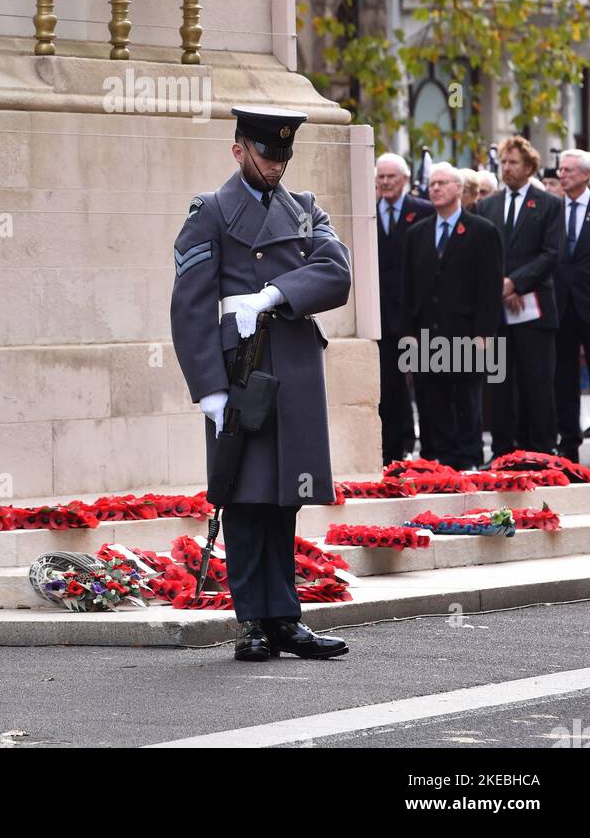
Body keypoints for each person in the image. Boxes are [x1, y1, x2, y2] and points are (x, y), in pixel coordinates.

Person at [170, 105, 352, 663]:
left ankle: (284, 620)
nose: (276, 166)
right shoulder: (211, 212)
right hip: (240, 371)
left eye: (283, 156)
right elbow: (190, 307)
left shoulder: (306, 209)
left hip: (292, 365)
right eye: (267, 155)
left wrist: (273, 295)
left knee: (284, 499)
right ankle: (252, 621)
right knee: (246, 498)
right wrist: (209, 389)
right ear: (239, 150)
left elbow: (338, 272)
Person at [400, 163, 503, 470]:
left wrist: (484, 334)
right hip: (427, 334)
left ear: (459, 189)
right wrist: (408, 336)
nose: (435, 188)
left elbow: (490, 287)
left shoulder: (483, 231)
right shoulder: (417, 233)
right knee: (433, 401)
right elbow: (409, 288)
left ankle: (470, 459)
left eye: (443, 183)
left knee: (467, 401)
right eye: (432, 184)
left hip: (468, 332)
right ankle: (440, 463)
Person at [476, 136, 563, 457]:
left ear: (529, 167)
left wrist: (516, 283)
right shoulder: (488, 205)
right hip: (498, 311)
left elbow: (551, 253)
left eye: (513, 163)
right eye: (503, 163)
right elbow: (484, 253)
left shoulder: (549, 205)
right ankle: (502, 451)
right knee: (499, 382)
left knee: (536, 381)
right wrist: (500, 284)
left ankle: (540, 449)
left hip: (535, 309)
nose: (507, 169)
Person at [374, 152, 434, 463]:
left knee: (424, 383)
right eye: (380, 177)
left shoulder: (423, 211)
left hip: (417, 314)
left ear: (405, 180)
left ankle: (430, 452)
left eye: (391, 177)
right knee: (387, 387)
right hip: (381, 316)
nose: (385, 182)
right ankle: (391, 451)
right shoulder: (366, 213)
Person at [553, 149, 590, 463]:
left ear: (586, 174)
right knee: (563, 378)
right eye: (560, 169)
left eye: (568, 170)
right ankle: (568, 443)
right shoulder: (552, 209)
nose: (561, 174)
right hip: (560, 307)